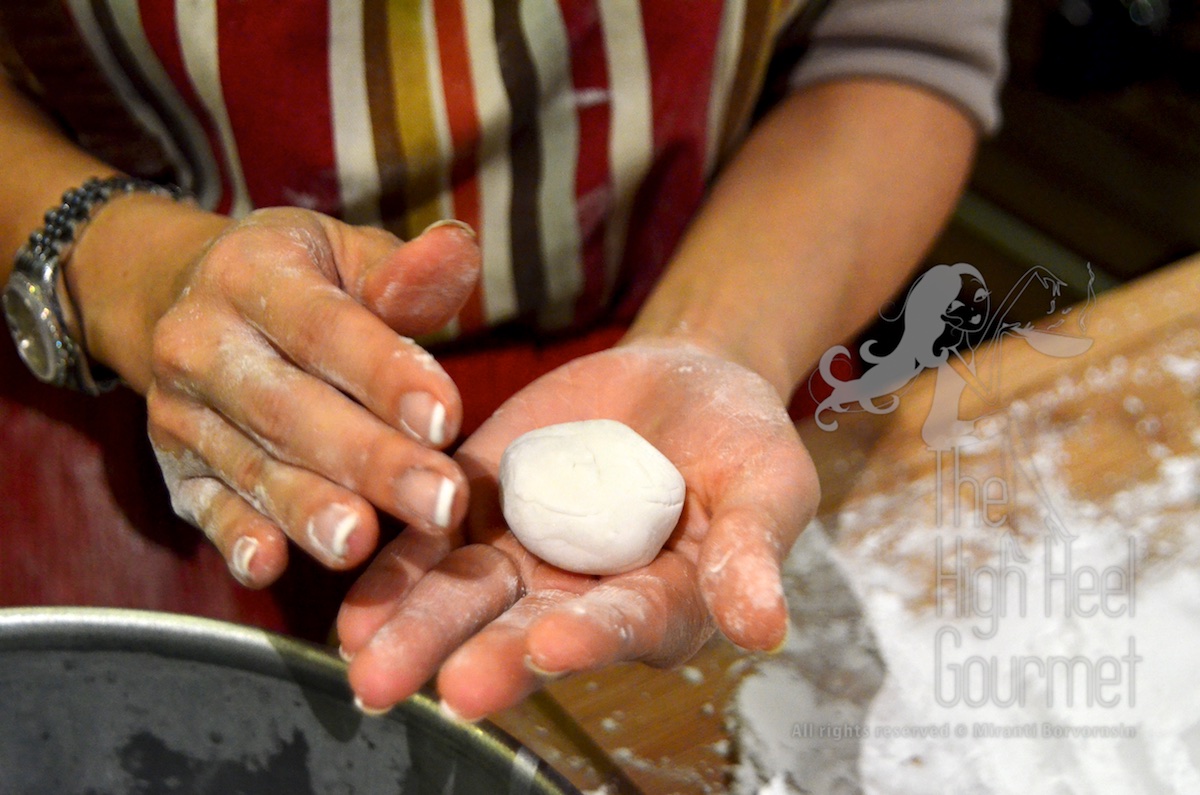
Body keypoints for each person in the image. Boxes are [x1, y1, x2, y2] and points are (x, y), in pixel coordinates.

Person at [0, 0, 1007, 720]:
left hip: (677, 326)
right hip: (138, 385)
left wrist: (715, 347)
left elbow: (894, 42)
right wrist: (114, 262)